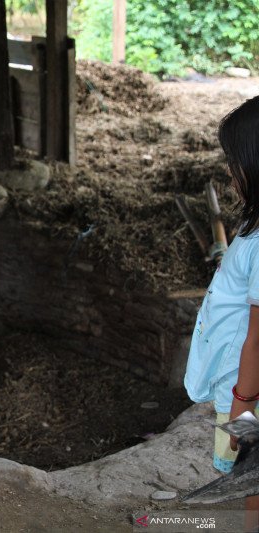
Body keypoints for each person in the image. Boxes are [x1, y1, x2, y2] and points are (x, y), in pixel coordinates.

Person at [185, 95, 259, 523]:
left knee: (251, 468)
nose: (230, 172)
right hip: (243, 387)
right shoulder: (254, 226)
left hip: (246, 390)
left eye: (236, 161)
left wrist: (243, 409)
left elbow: (257, 337)